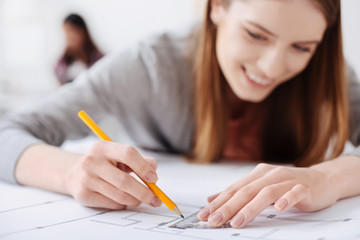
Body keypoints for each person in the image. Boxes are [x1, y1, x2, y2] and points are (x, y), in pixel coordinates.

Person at [0, 0, 359, 229]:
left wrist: (327, 178)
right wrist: (70, 172)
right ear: (217, 6)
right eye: (255, 34)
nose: (272, 66)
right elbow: (7, 132)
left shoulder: (328, 72)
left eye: (302, 47)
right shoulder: (149, 64)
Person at [54, 13, 104, 85]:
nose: (69, 38)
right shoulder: (62, 63)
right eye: (66, 33)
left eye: (72, 32)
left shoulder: (99, 58)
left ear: (83, 32)